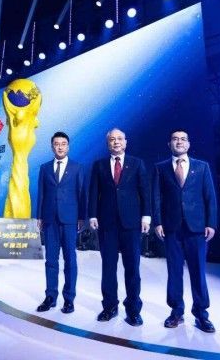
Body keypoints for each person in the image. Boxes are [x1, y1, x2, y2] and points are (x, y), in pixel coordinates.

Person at [152, 129, 217, 333]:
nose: (179, 142)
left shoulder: (202, 167)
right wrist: (157, 222)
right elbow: (156, 198)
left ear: (188, 144)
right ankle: (176, 312)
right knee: (174, 272)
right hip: (171, 228)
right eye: (175, 139)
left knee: (198, 272)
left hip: (197, 228)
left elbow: (210, 197)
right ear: (169, 144)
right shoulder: (160, 168)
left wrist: (211, 223)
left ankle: (201, 314)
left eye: (183, 139)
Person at [88, 128, 150, 326]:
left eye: (119, 139)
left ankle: (133, 310)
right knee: (108, 268)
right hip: (107, 224)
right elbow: (93, 192)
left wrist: (147, 216)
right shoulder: (99, 165)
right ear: (108, 144)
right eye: (112, 139)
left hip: (131, 223)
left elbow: (145, 191)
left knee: (132, 268)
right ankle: (109, 307)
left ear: (125, 142)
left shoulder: (137, 163)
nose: (116, 142)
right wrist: (92, 214)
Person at [36, 132, 85, 314]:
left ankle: (69, 299)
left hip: (70, 219)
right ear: (52, 146)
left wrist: (82, 217)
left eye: (63, 143)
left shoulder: (77, 167)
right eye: (56, 143)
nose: (60, 147)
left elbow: (82, 193)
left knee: (70, 259)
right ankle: (50, 297)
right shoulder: (45, 168)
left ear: (68, 146)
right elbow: (41, 193)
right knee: (51, 260)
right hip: (49, 220)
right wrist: (39, 216)